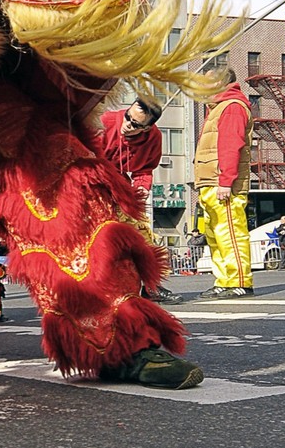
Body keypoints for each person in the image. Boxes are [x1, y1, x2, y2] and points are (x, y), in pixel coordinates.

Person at [99, 99, 182, 305]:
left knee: (141, 230)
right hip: (90, 179)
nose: (127, 124)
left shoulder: (154, 138)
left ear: (148, 127)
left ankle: (151, 286)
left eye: (135, 124)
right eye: (128, 117)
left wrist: (142, 188)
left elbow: (144, 169)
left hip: (119, 182)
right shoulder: (104, 121)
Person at [195, 70, 254, 299]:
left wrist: (226, 181)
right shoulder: (221, 107)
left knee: (229, 232)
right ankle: (224, 281)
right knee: (216, 234)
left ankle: (238, 281)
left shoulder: (231, 106)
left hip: (222, 182)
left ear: (220, 82)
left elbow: (231, 145)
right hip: (213, 181)